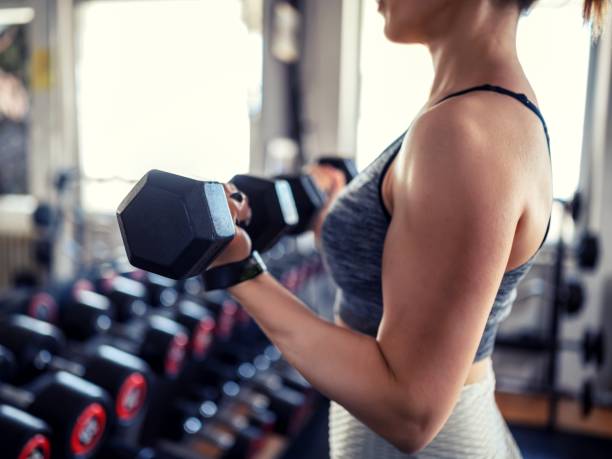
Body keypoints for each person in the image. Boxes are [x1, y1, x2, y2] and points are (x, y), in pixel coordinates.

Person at [211, 0, 609, 457]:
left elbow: (409, 409)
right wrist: (338, 212)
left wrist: (239, 270)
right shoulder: (465, 110)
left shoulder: (466, 130)